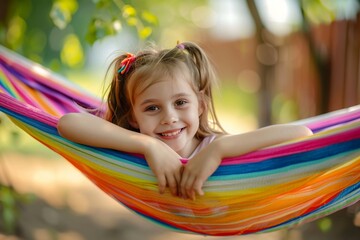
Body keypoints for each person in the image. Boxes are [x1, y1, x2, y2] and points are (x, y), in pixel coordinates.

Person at [57, 41, 313, 200]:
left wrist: (218, 150)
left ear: (200, 105)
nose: (169, 117)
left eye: (181, 103)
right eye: (152, 108)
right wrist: (149, 146)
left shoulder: (214, 147)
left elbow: (302, 134)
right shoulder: (135, 145)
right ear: (133, 118)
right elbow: (67, 123)